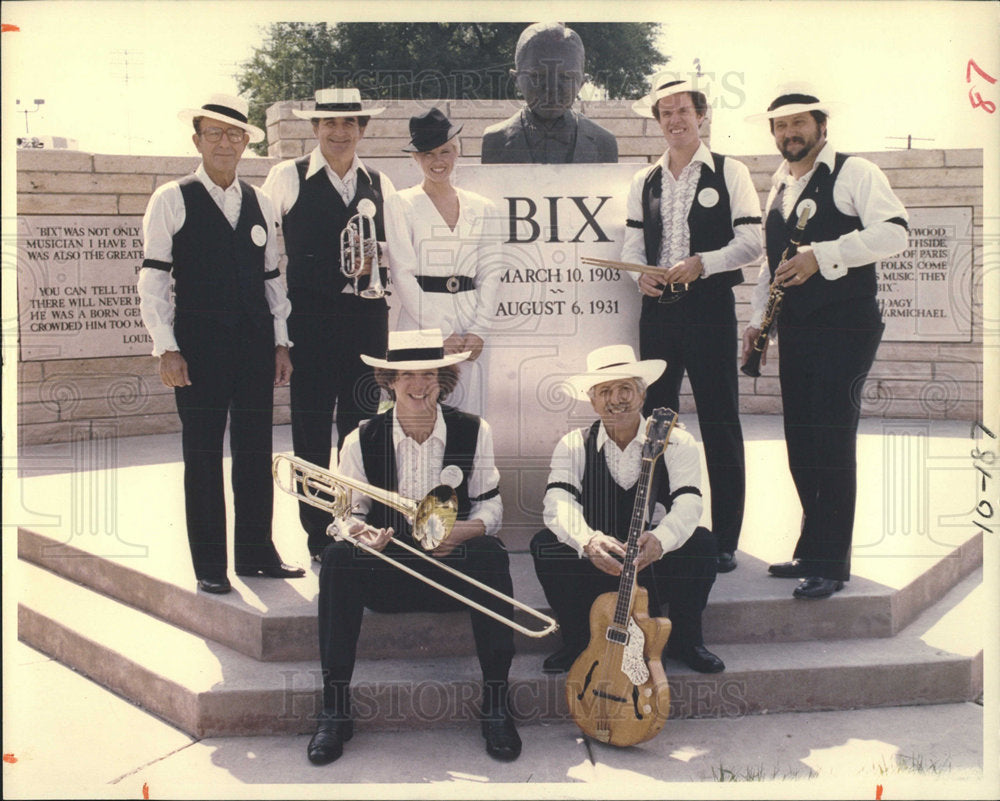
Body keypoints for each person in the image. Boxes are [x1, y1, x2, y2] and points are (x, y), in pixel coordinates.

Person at [308, 329, 521, 765]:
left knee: (492, 555)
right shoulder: (360, 437)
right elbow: (347, 514)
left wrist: (465, 531)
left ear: (444, 379)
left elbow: (490, 503)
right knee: (336, 558)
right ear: (388, 381)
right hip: (390, 574)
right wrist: (359, 534)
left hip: (451, 576)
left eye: (428, 375)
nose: (418, 386)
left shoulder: (474, 431)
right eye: (407, 375)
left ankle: (496, 702)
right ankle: (335, 706)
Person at [742, 84, 908, 599]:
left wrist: (823, 254)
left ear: (821, 125)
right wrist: (755, 321)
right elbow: (773, 262)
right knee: (803, 441)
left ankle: (832, 563)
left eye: (799, 123)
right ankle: (812, 549)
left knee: (833, 439)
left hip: (847, 323)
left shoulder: (856, 172)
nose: (790, 133)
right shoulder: (779, 183)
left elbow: (896, 232)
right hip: (796, 325)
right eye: (781, 126)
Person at [139, 93, 304, 594]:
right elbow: (153, 281)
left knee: (255, 450)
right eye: (215, 133)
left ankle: (256, 554)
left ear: (246, 142)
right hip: (197, 351)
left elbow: (274, 279)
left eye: (236, 135)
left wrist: (281, 344)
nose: (226, 143)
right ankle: (210, 564)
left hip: (255, 346)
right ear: (198, 139)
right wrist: (166, 347)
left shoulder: (259, 201)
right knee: (204, 454)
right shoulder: (172, 197)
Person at [621, 74, 763, 574]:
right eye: (666, 113)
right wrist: (642, 277)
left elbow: (751, 243)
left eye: (684, 110)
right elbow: (633, 245)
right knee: (654, 422)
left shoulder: (730, 172)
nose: (675, 120)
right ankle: (659, 530)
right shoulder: (646, 180)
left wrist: (703, 262)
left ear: (701, 115)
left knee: (720, 420)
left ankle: (725, 537)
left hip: (708, 309)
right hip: (659, 311)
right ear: (657, 121)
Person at [530, 345, 724, 675]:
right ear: (592, 400)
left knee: (702, 544)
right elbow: (557, 503)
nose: (617, 399)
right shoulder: (573, 444)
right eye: (605, 391)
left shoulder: (676, 441)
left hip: (652, 564)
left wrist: (662, 539)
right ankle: (578, 642)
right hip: (599, 566)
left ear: (642, 394)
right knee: (545, 545)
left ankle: (686, 640)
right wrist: (588, 541)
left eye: (626, 389)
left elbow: (689, 502)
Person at [262, 87, 397, 561]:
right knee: (313, 431)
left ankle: (356, 523)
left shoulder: (380, 181)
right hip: (312, 322)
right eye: (329, 124)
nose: (339, 132)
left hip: (366, 323)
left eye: (349, 124)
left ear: (362, 129)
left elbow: (399, 252)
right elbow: (263, 250)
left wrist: (375, 258)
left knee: (362, 429)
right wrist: (279, 330)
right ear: (315, 128)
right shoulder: (287, 175)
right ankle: (319, 535)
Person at [385, 108, 502, 415]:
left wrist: (480, 329)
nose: (438, 162)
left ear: (457, 151)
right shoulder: (401, 203)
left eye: (445, 152)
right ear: (415, 158)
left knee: (469, 414)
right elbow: (402, 273)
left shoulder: (483, 207)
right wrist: (440, 332)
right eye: (427, 154)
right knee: (420, 410)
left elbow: (491, 272)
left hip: (470, 321)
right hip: (420, 320)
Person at [481, 22, 618, 164]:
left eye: (565, 77)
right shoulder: (494, 140)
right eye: (538, 76)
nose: (551, 88)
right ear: (517, 80)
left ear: (582, 82)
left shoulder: (604, 142)